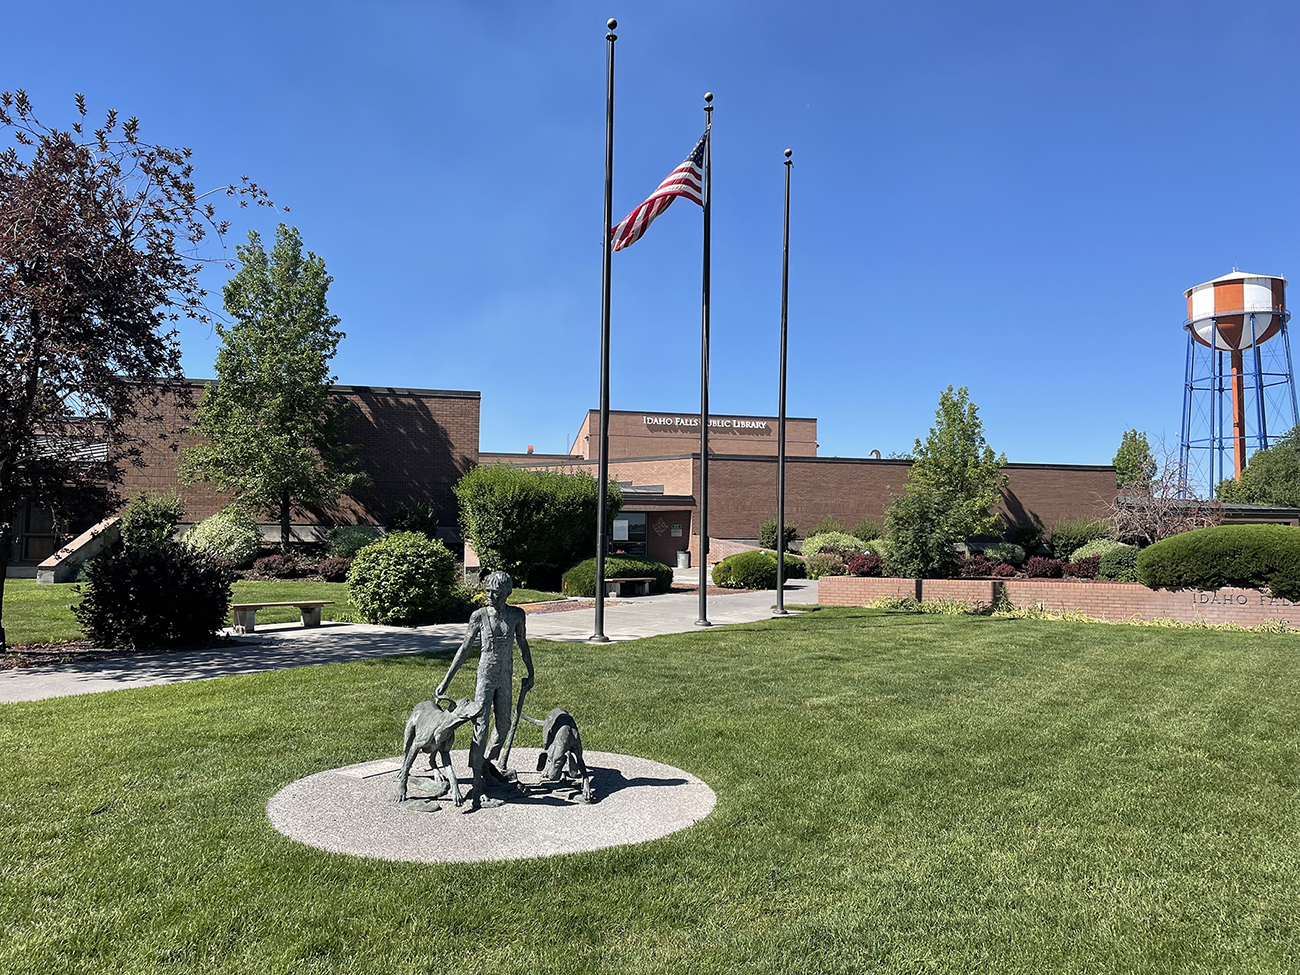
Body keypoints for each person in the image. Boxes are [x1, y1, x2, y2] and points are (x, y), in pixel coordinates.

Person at [436, 570, 534, 808]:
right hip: (486, 675)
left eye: (496, 592)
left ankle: (486, 764)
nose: (490, 595)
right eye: (488, 591)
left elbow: (522, 644)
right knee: (481, 725)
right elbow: (464, 649)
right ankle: (478, 783)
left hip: (506, 675)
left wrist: (531, 672)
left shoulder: (516, 615)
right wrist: (446, 681)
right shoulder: (479, 616)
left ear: (507, 593)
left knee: (503, 726)